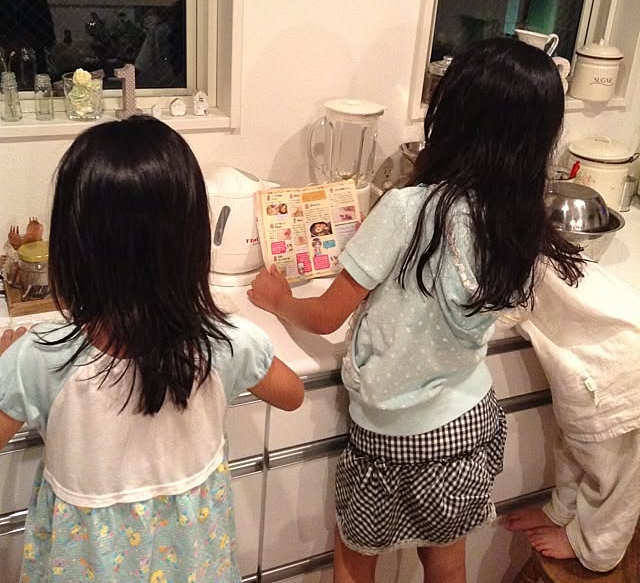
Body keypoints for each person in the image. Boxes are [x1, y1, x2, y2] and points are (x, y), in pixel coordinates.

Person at [247, 37, 583, 583]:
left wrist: (278, 299)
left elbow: (327, 316)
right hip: (469, 426)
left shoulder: (408, 210)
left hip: (393, 435)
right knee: (444, 555)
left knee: (354, 555)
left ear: (453, 118)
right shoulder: (518, 220)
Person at [0, 115, 304, 583]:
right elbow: (292, 395)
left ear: (74, 245)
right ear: (192, 238)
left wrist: (8, 362)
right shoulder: (226, 341)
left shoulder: (42, 358)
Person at [502, 262, 640, 572]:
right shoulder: (551, 256)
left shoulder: (514, 269)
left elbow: (490, 317)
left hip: (621, 382)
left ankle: (598, 549)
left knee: (617, 479)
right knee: (574, 448)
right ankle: (561, 512)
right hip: (599, 366)